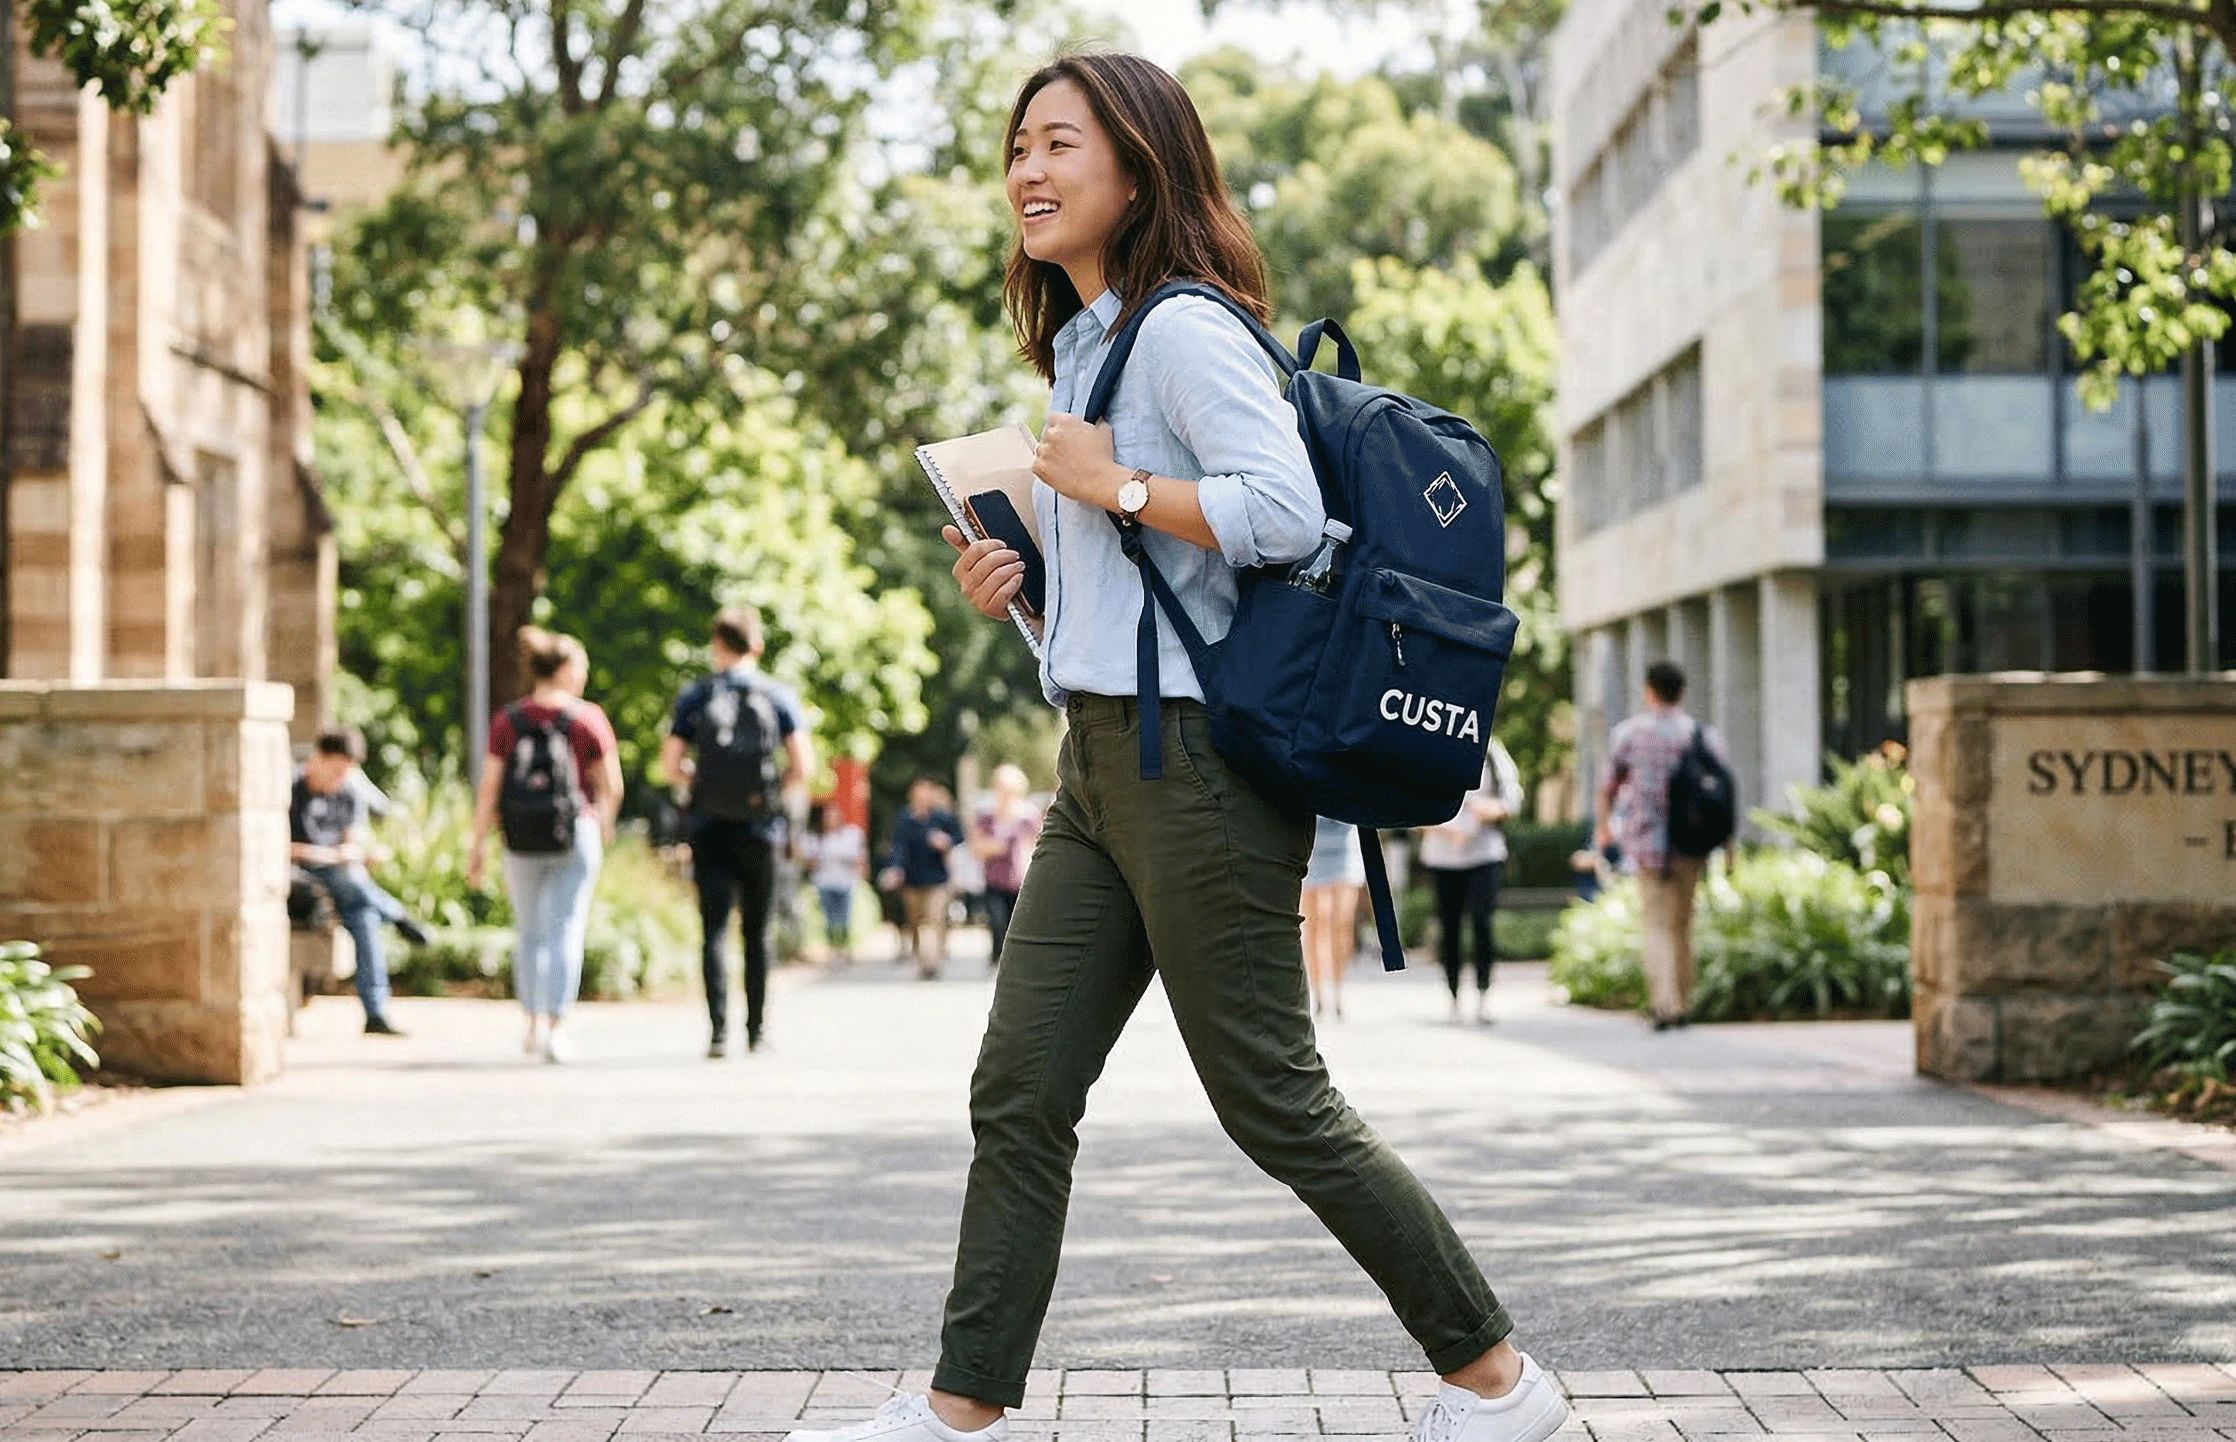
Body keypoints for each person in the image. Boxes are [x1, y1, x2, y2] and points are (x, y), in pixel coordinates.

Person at [789, 53, 1566, 1442]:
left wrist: (1121, 486)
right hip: (1098, 763)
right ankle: (961, 1409)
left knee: (1275, 1099)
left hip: (1197, 770)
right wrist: (1026, 587)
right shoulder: (1084, 348)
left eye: (1061, 145)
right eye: (1017, 146)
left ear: (1138, 170)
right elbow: (1124, 607)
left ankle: (1503, 1383)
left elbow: (1283, 515)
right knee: (1019, 1086)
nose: (1029, 171)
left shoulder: (1187, 330)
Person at [659, 606, 814, 1057]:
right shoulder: (778, 696)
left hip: (708, 825)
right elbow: (803, 766)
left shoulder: (695, 696)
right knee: (757, 930)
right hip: (760, 827)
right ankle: (758, 1030)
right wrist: (770, 792)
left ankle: (718, 1034)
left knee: (713, 930)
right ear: (757, 646)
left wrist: (700, 783)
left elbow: (670, 766)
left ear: (717, 645)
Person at [468, 627, 621, 1063]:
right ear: (568, 670)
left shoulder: (508, 719)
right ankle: (557, 1026)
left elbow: (489, 788)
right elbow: (611, 784)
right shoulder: (587, 718)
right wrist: (604, 826)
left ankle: (531, 1025)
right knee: (565, 929)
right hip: (575, 832)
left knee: (529, 931)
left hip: (519, 838)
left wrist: (477, 845)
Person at [1594, 660, 1732, 1031]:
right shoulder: (1703, 736)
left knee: (1654, 925)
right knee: (1683, 925)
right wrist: (1729, 846)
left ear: (1648, 690)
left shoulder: (1629, 734)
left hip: (1646, 844)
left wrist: (1604, 829)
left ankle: (1663, 1004)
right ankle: (1683, 1003)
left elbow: (1607, 788)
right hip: (1691, 843)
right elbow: (1724, 794)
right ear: (1682, 692)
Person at [289, 726, 430, 1036]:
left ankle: (376, 1013)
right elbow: (281, 847)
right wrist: (329, 855)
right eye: (337, 771)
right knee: (350, 885)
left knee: (364, 916)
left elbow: (353, 842)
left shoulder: (350, 792)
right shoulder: (291, 788)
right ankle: (396, 914)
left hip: (344, 881)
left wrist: (357, 854)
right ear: (319, 758)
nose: (341, 779)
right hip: (302, 879)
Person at [1418, 739, 1525, 1024]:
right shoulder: (1430, 746)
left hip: (1484, 854)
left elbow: (1512, 800)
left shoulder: (1491, 750)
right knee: (1448, 928)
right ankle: (1453, 997)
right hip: (1442, 856)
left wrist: (1485, 810)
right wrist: (1447, 828)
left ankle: (1483, 995)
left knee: (1482, 923)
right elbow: (1411, 804)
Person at [881, 778, 961, 979]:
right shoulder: (905, 819)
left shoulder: (942, 818)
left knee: (934, 919)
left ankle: (931, 961)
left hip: (937, 879)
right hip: (912, 880)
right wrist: (895, 869)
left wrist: (946, 842)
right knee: (915, 921)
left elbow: (959, 836)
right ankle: (920, 956)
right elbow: (898, 846)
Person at [970, 764, 1043, 969]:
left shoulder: (1028, 816)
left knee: (1018, 923)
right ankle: (998, 960)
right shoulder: (986, 816)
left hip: (1020, 878)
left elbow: (1038, 844)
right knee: (996, 920)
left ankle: (1016, 963)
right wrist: (997, 847)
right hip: (994, 878)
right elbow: (976, 847)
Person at [1300, 816, 1364, 1020]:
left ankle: (1338, 990)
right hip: (1311, 847)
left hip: (1345, 850)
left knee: (1341, 924)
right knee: (1314, 924)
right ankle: (1317, 993)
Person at [804, 802, 868, 965]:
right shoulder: (817, 838)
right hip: (824, 882)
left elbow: (859, 859)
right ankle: (833, 949)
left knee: (844, 918)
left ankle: (845, 948)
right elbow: (809, 863)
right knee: (829, 919)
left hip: (845, 882)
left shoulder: (851, 835)